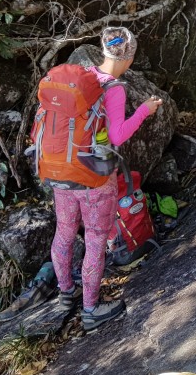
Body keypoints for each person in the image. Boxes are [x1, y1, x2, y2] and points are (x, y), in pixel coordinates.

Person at [49, 26, 162, 331]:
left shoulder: (80, 78)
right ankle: (91, 308)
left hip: (60, 171)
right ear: (130, 56)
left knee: (64, 232)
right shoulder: (113, 87)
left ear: (103, 50)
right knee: (97, 239)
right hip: (94, 177)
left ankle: (66, 293)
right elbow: (117, 135)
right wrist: (144, 111)